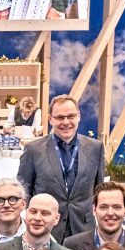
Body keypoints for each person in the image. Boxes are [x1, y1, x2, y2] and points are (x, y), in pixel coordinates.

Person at [18, 95, 105, 239]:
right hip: (46, 230)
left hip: (83, 229)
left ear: (79, 116)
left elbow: (99, 190)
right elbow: (24, 192)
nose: (66, 122)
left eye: (71, 116)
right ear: (50, 119)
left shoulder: (95, 148)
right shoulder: (33, 150)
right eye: (60, 117)